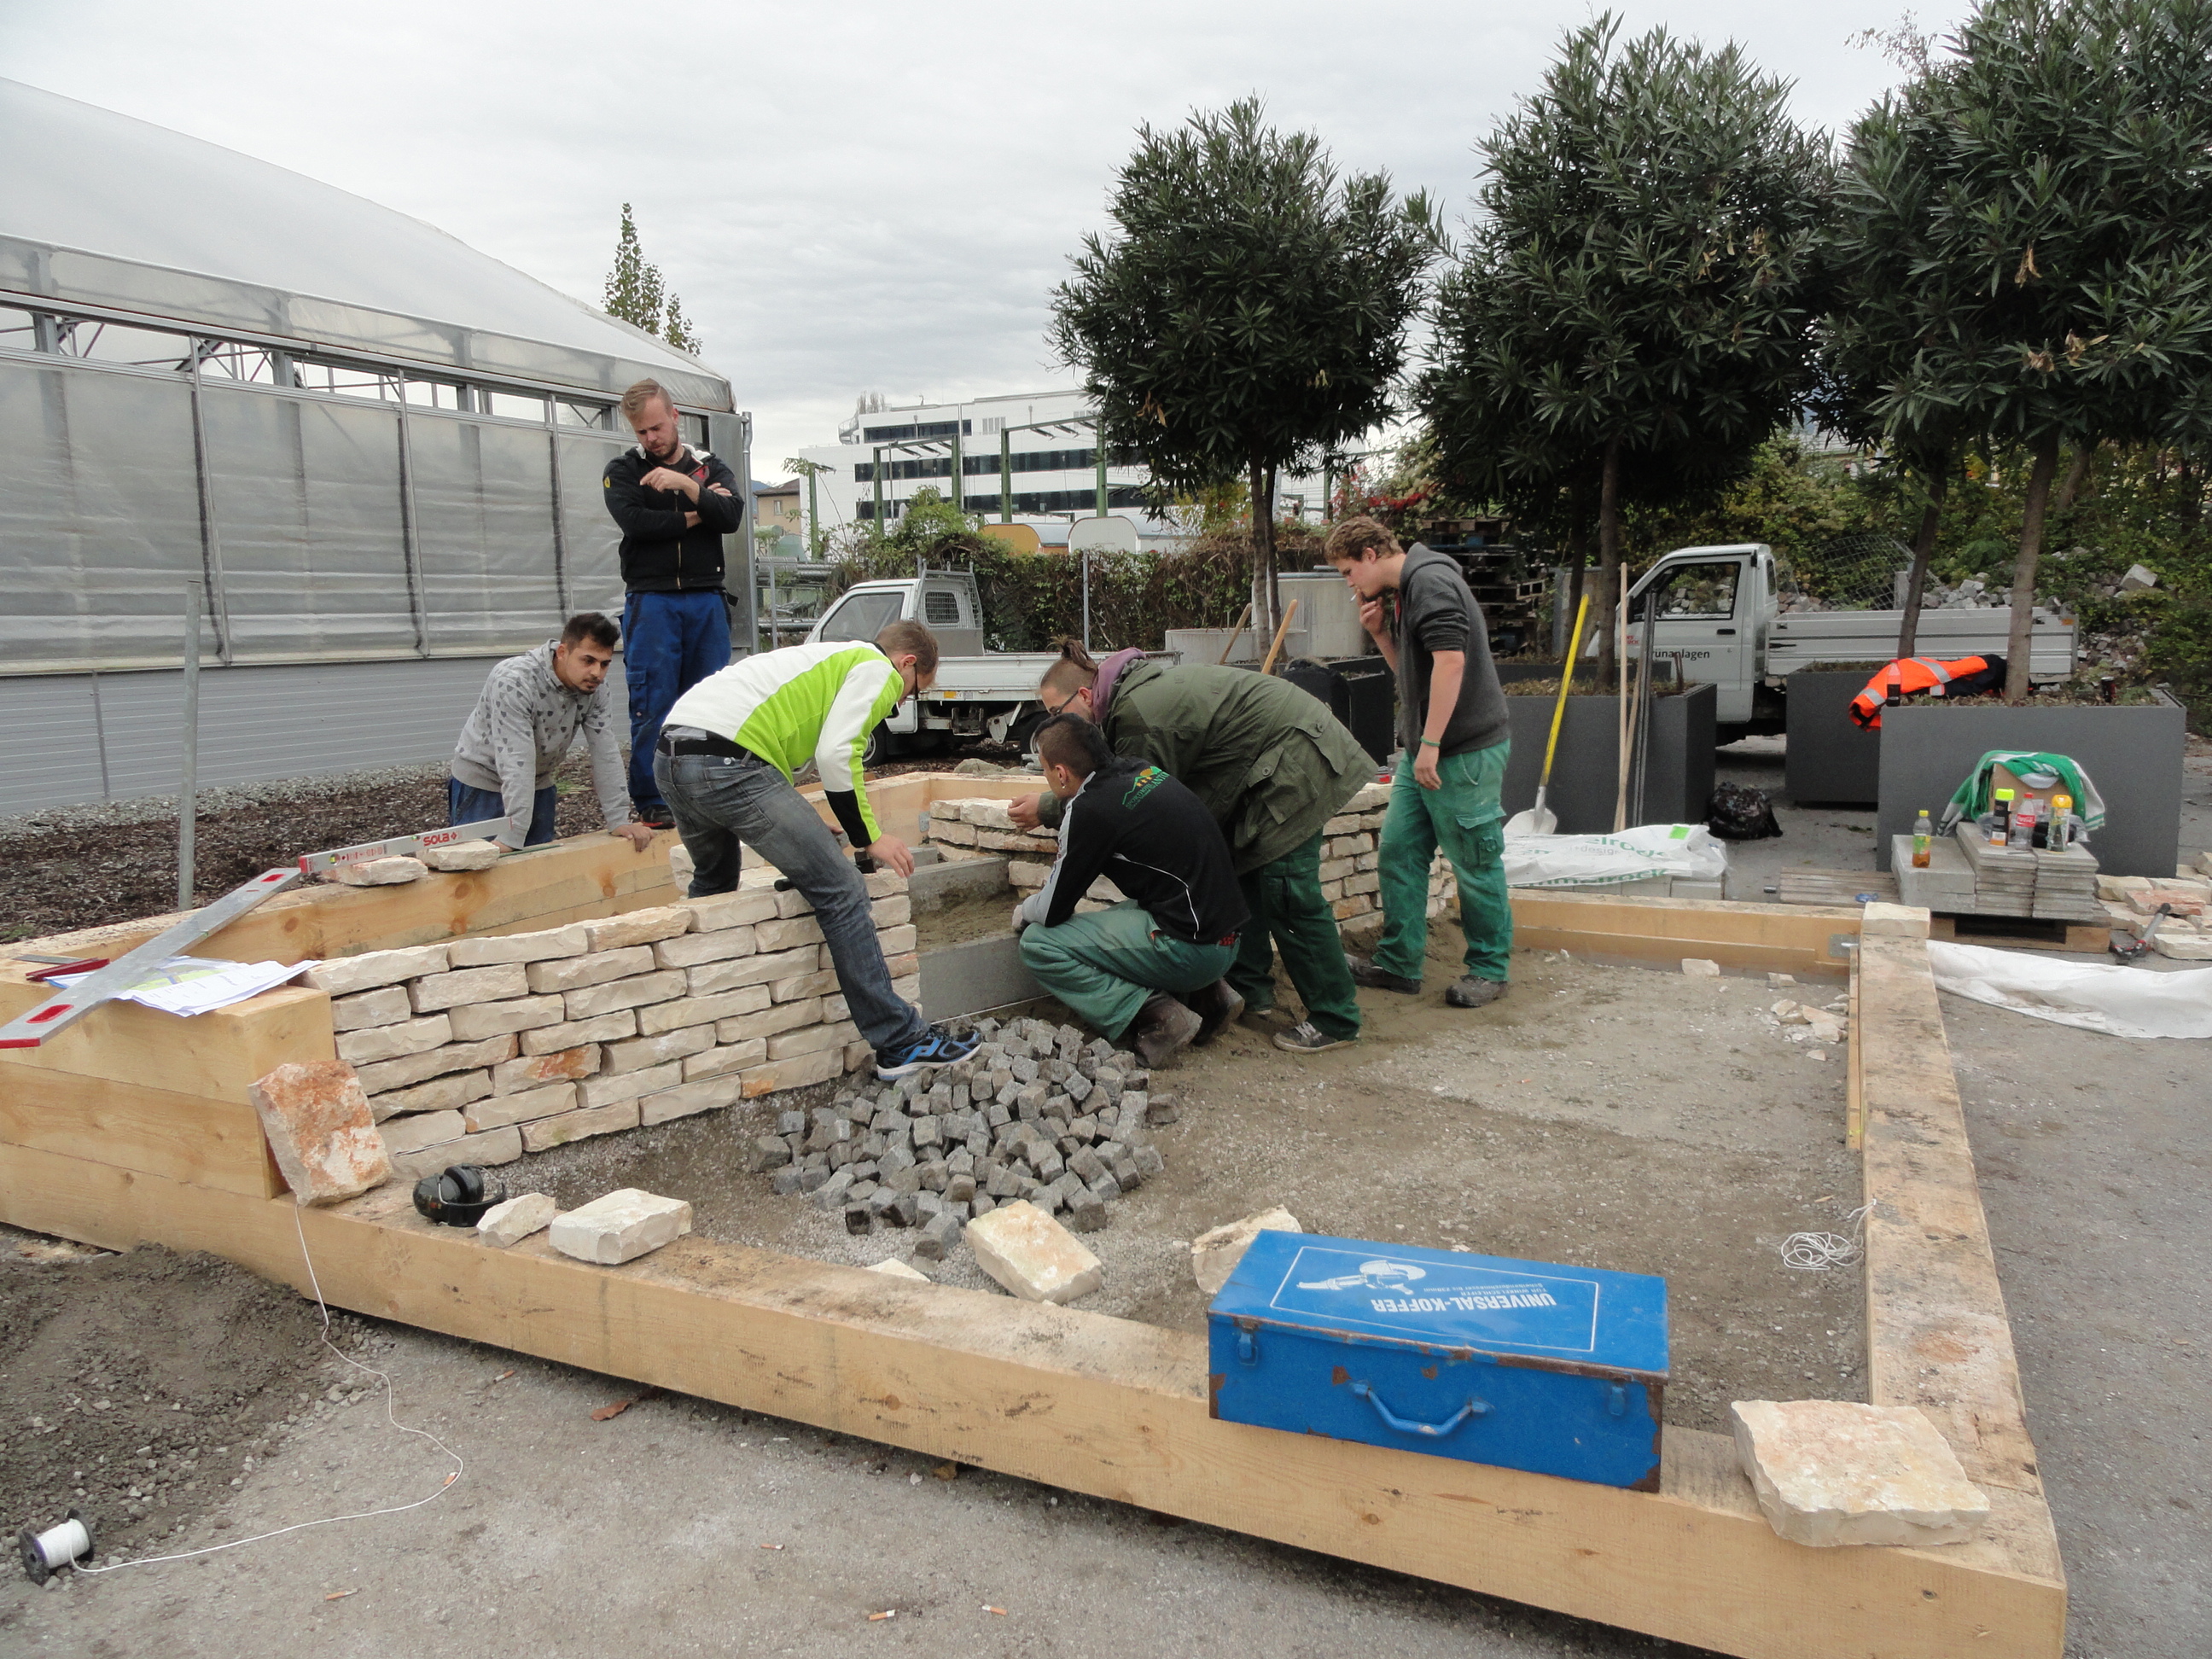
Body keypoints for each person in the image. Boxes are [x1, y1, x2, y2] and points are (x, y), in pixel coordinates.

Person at [652, 620, 980, 1080]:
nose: (901, 702)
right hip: (726, 764)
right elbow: (837, 754)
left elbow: (763, 735)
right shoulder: (875, 666)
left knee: (714, 883)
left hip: (672, 758)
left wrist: (803, 821)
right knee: (842, 890)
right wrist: (869, 836)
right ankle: (901, 1042)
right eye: (913, 690)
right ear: (907, 662)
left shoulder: (823, 660)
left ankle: (688, 1029)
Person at [1008, 643, 1372, 1054]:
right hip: (1267, 766)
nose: (1055, 723)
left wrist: (1052, 806)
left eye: (1056, 713)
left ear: (1086, 696)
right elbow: (1121, 788)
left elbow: (1119, 803)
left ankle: (1335, 1017)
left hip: (1297, 759)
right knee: (1246, 875)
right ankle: (1245, 991)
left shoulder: (1138, 716)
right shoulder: (1130, 702)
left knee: (1288, 893)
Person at [1323, 515, 1512, 1008]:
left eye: (1347, 571)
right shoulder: (1408, 589)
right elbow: (1419, 678)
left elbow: (1453, 663)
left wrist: (1431, 745)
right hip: (1425, 750)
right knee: (1401, 852)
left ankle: (1490, 969)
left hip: (1462, 751)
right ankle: (1399, 964)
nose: (1349, 583)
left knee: (1474, 860)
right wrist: (1384, 636)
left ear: (1369, 553)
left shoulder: (1429, 582)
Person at [1013, 715, 1249, 1068]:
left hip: (1195, 952)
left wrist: (1022, 911)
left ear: (1061, 774)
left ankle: (1158, 1018)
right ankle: (1211, 998)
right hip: (1228, 936)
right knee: (1126, 910)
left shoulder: (1090, 810)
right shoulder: (1142, 771)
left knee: (1038, 943)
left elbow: (1051, 911)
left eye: (1045, 770)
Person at [602, 378, 744, 827]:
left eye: (657, 428)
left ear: (675, 416)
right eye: (642, 432)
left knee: (709, 703)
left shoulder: (709, 466)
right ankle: (653, 801)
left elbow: (733, 516)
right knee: (653, 702)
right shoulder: (623, 471)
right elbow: (637, 523)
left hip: (705, 597)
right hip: (652, 599)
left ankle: (710, 795)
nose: (651, 439)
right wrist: (699, 510)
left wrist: (685, 483)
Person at [447, 612, 655, 853]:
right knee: (475, 876)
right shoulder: (514, 680)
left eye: (605, 663)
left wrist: (618, 818)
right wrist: (512, 834)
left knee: (538, 875)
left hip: (538, 784)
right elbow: (516, 759)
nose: (597, 673)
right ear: (563, 652)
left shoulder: (596, 690)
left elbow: (605, 751)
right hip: (483, 784)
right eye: (588, 660)